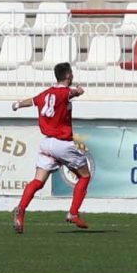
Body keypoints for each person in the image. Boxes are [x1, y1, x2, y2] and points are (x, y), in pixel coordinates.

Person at [10, 62, 91, 233]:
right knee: (85, 176)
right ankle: (73, 213)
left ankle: (21, 209)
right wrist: (79, 91)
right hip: (62, 143)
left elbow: (32, 101)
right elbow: (72, 93)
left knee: (38, 181)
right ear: (67, 76)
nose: (72, 75)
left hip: (47, 144)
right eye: (71, 73)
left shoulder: (46, 93)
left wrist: (17, 104)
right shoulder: (64, 93)